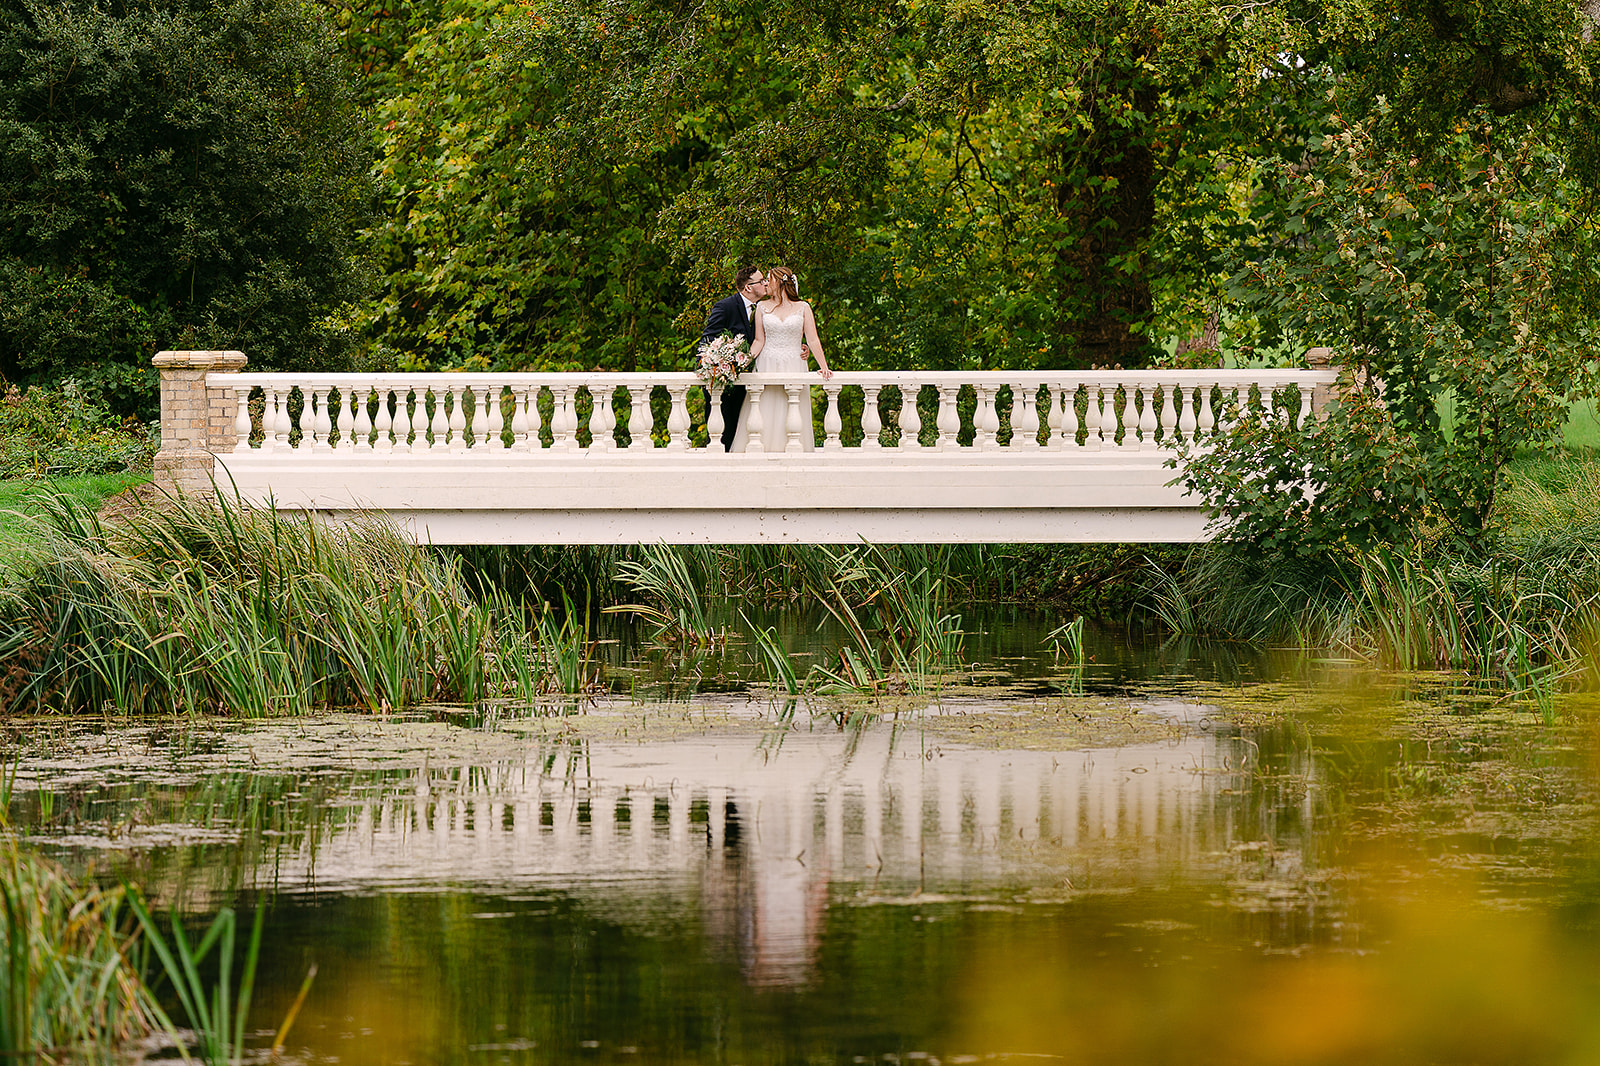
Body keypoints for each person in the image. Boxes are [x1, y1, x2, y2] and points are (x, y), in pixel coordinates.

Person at [729, 265, 833, 453]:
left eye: (769, 279)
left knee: (791, 408)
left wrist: (823, 367)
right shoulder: (761, 307)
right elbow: (759, 340)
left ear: (780, 282)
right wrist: (742, 364)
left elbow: (812, 339)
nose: (766, 283)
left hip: (794, 362)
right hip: (767, 362)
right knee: (766, 408)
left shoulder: (803, 307)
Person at [700, 265, 769, 451]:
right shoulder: (726, 306)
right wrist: (722, 364)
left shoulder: (764, 309)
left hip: (753, 383)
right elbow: (707, 341)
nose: (766, 284)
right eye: (761, 281)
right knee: (723, 436)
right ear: (748, 287)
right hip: (726, 385)